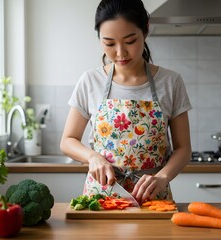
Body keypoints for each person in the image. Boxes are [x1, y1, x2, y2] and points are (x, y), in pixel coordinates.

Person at [60, 0, 192, 203]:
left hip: (153, 199)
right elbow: (68, 141)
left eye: (130, 41)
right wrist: (92, 157)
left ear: (146, 29)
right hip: (102, 199)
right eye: (109, 43)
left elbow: (183, 149)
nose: (120, 53)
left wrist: (162, 177)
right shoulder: (90, 81)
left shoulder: (171, 81)